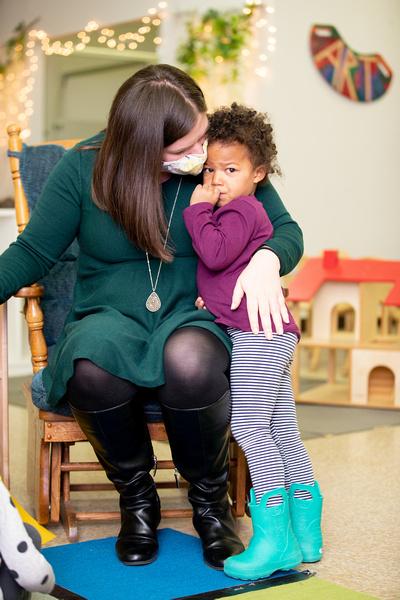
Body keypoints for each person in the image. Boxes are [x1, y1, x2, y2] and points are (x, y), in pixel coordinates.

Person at [0, 65, 304, 570]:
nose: (200, 153)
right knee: (89, 366)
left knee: (190, 358)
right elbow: (33, 250)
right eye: (185, 145)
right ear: (142, 145)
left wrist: (267, 259)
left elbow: (286, 231)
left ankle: (211, 505)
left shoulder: (220, 164)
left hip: (196, 308)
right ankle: (137, 502)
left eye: (202, 136)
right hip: (108, 311)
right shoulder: (85, 167)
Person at [183, 103, 323, 580]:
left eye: (231, 169)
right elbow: (228, 273)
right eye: (210, 169)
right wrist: (213, 302)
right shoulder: (241, 207)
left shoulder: (242, 208)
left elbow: (216, 252)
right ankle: (307, 530)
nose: (217, 179)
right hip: (266, 331)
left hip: (257, 336)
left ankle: (274, 539)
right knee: (281, 423)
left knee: (248, 424)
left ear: (258, 173)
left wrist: (198, 210)